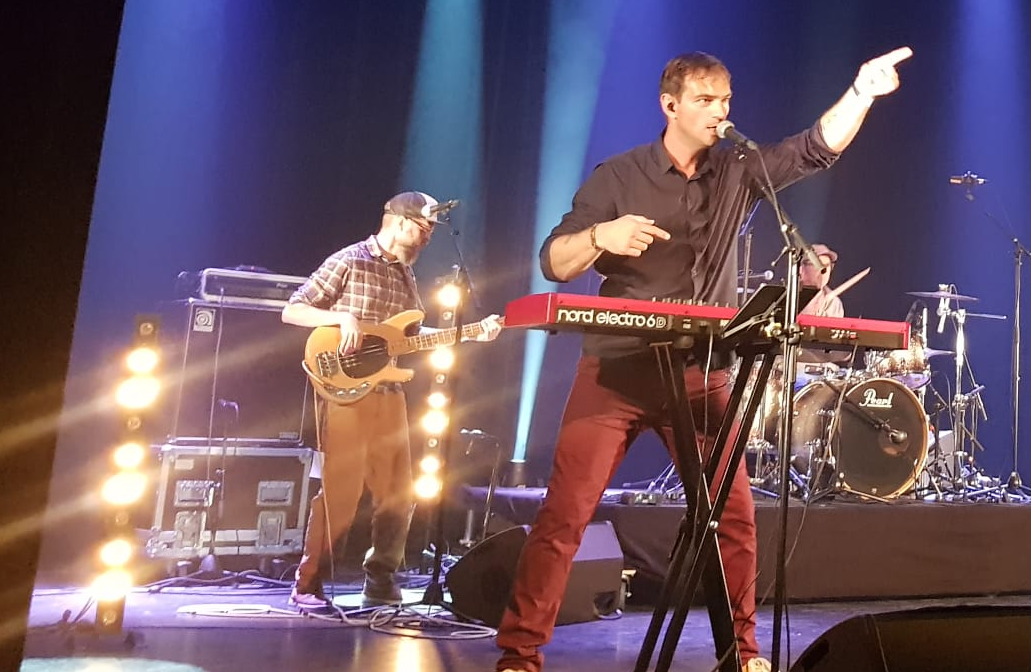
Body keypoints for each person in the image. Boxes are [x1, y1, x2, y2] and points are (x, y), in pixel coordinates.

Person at [495, 47, 912, 672]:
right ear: (671, 105)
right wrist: (599, 238)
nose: (720, 112)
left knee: (733, 520)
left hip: (700, 373)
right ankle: (519, 655)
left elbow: (813, 148)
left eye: (726, 101)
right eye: (705, 101)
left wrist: (861, 92)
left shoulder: (739, 168)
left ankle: (742, 655)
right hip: (618, 371)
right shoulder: (620, 174)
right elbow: (554, 260)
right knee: (564, 517)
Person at [281, 191, 502, 610]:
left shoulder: (406, 275)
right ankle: (307, 583)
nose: (428, 237)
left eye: (432, 231)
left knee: (398, 492)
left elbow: (408, 337)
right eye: (423, 228)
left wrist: (470, 331)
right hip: (344, 393)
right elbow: (293, 310)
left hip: (388, 393)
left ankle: (380, 577)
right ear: (399, 222)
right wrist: (340, 316)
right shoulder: (350, 260)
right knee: (340, 494)